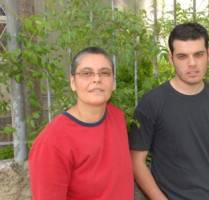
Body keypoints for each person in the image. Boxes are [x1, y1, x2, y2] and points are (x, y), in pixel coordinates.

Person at [129, 22, 209, 200]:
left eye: (198, 54)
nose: (192, 63)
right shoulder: (152, 103)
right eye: (182, 56)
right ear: (170, 58)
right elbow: (137, 162)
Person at [29, 47, 133, 200]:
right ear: (73, 82)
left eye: (104, 73)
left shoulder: (117, 116)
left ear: (114, 82)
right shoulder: (52, 141)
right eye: (86, 73)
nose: (97, 79)